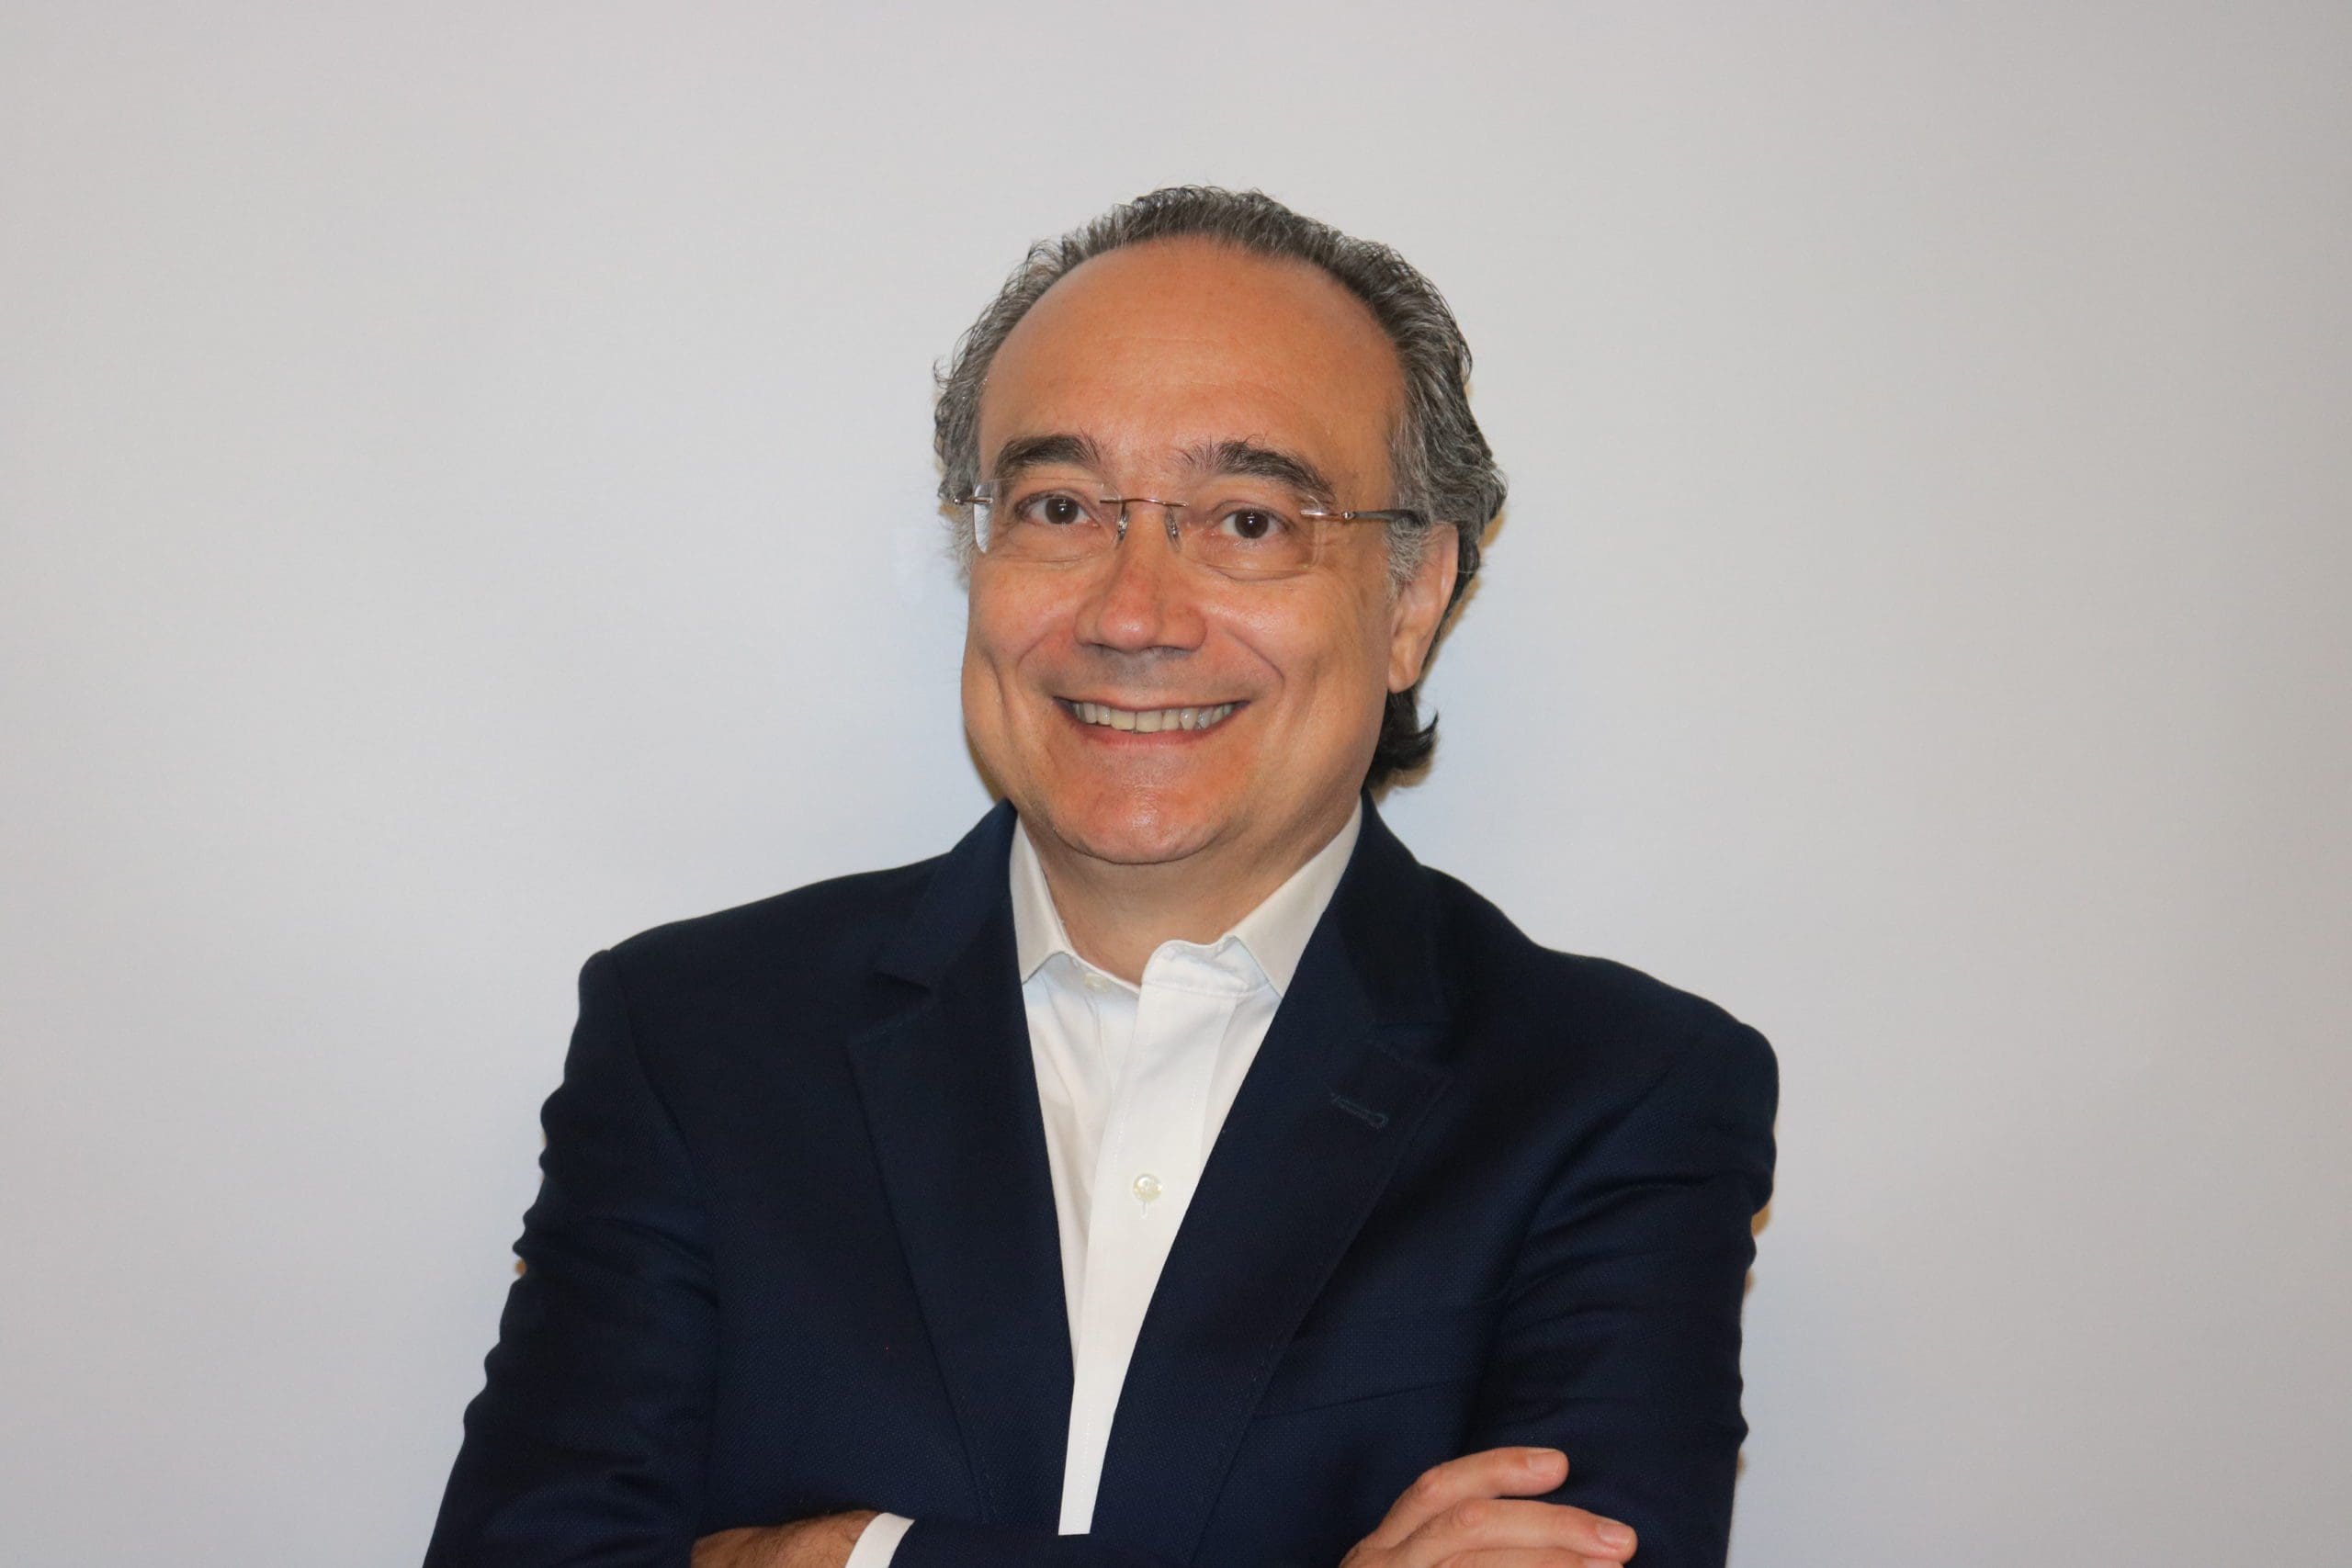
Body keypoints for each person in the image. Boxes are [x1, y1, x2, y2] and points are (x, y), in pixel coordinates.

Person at [424, 186, 1778, 1568]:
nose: (1134, 614)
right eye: (1061, 506)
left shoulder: (1619, 1095)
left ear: (1413, 597)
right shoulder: (696, 1036)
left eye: (1249, 521)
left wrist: (854, 1557)